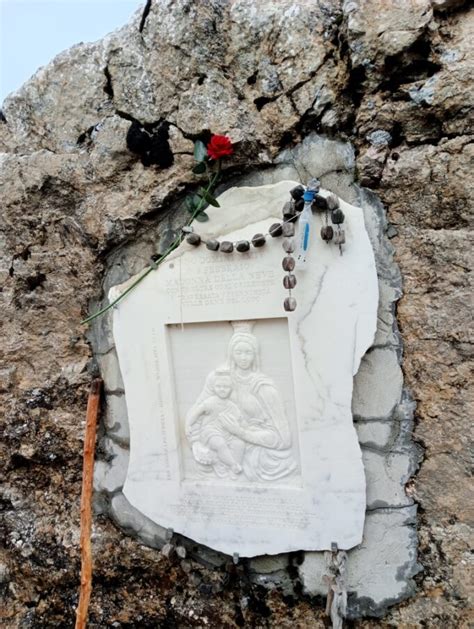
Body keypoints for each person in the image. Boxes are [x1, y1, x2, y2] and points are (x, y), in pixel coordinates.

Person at [188, 321, 297, 482]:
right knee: (205, 460)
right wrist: (195, 443)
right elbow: (197, 411)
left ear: (255, 355)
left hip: (252, 443)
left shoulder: (263, 387)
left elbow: (284, 439)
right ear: (231, 353)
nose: (243, 358)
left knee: (262, 459)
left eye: (248, 352)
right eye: (238, 352)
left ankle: (232, 464)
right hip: (216, 435)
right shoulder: (219, 379)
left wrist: (241, 432)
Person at [185, 369, 244, 476]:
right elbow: (196, 413)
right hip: (210, 432)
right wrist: (187, 425)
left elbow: (239, 420)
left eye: (226, 387)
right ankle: (233, 465)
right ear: (214, 387)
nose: (222, 389)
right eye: (219, 386)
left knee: (239, 444)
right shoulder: (210, 402)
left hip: (227, 433)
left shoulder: (232, 406)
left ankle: (231, 470)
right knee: (220, 443)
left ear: (231, 389)